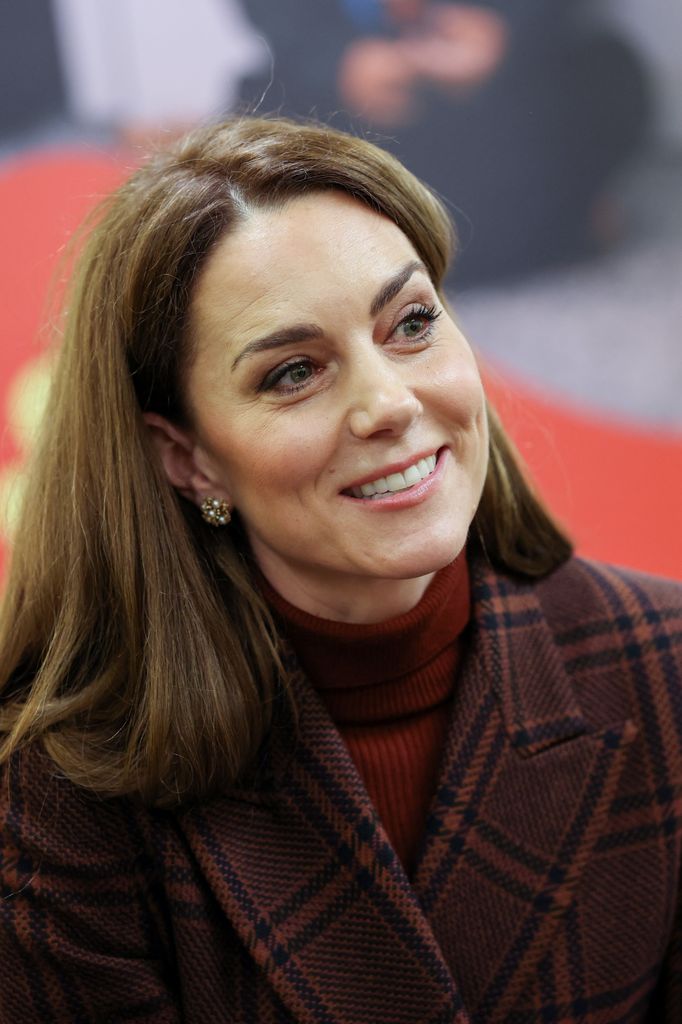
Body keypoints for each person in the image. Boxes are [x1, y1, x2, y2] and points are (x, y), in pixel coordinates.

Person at [0, 117, 680, 1024]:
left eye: (410, 324)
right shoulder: (57, 791)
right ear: (187, 459)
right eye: (293, 374)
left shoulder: (665, 668)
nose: (389, 404)